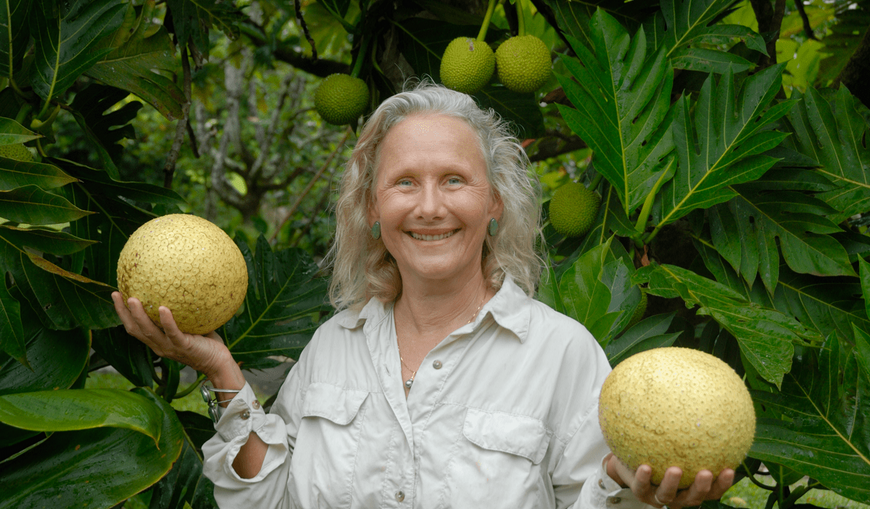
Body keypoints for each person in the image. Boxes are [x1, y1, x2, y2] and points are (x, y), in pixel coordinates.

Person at [111, 83, 735, 508]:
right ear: (373, 208)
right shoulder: (334, 346)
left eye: (455, 180)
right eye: (405, 182)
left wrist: (629, 488)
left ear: (495, 203)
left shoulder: (560, 353)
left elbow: (596, 496)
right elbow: (269, 500)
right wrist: (220, 369)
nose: (430, 207)